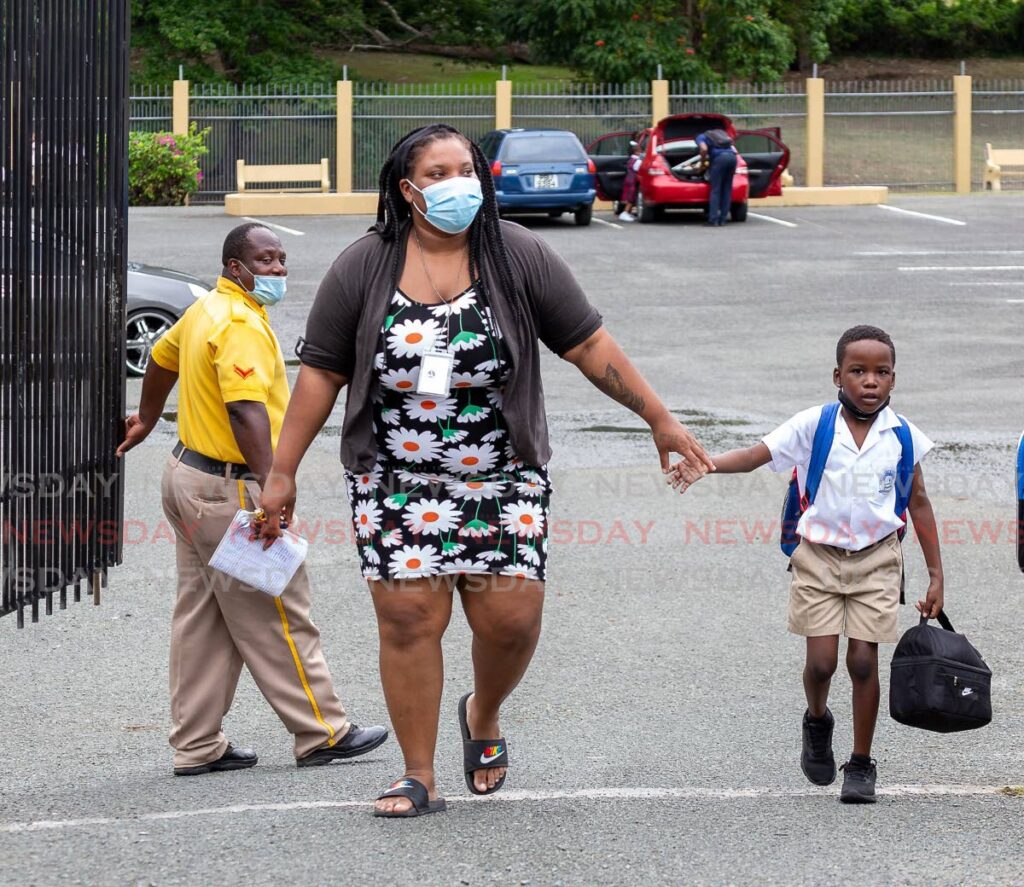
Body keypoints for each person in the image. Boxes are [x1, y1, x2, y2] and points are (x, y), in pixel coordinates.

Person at [256, 123, 715, 818]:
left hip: (501, 473)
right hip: (395, 478)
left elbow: (589, 344)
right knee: (409, 617)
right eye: (437, 173)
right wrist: (282, 472)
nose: (456, 183)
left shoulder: (518, 255)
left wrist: (657, 416)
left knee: (511, 619)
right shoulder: (364, 266)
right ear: (408, 190)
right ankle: (418, 773)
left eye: (465, 168)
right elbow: (322, 373)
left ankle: (485, 712)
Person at [116, 222, 388, 775]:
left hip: (186, 477)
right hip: (228, 488)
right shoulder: (237, 322)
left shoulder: (205, 307)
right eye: (265, 260)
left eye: (281, 258)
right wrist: (273, 486)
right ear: (236, 268)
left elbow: (162, 359)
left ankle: (195, 745)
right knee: (279, 612)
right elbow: (246, 411)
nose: (279, 269)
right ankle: (321, 731)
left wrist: (148, 417)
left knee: (203, 617)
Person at [669, 325, 944, 803]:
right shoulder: (813, 426)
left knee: (862, 661)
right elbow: (756, 456)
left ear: (894, 380)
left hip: (878, 559)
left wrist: (937, 573)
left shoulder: (903, 436)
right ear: (838, 375)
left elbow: (918, 503)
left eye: (881, 372)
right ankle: (817, 720)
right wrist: (706, 463)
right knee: (820, 664)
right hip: (816, 558)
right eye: (858, 371)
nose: (870, 381)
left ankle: (861, 762)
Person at [695, 128, 738, 227]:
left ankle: (713, 220)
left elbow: (704, 149)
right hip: (732, 158)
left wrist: (702, 164)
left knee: (716, 190)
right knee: (727, 189)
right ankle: (723, 219)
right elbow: (735, 150)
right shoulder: (722, 135)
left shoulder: (700, 137)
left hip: (719, 160)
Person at [618, 140, 642, 222]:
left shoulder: (631, 159)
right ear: (637, 152)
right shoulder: (638, 161)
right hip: (632, 181)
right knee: (630, 199)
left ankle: (628, 213)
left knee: (630, 198)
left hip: (628, 179)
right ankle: (625, 213)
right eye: (639, 151)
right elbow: (638, 169)